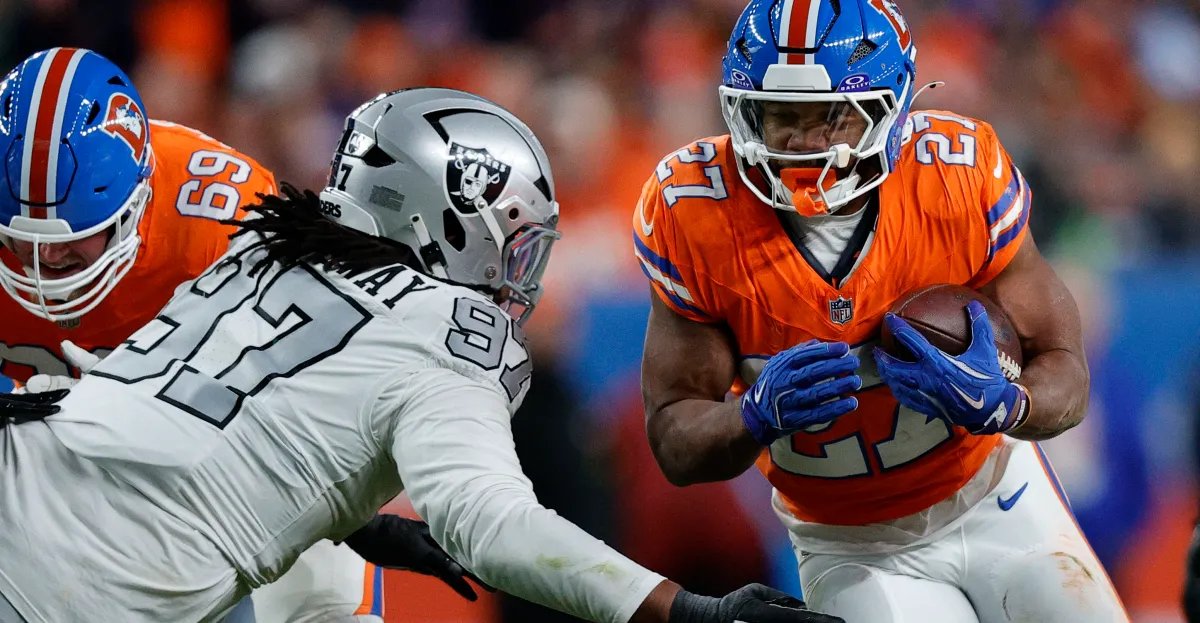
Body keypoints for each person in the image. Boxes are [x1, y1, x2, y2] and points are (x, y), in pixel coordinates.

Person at [0, 87, 840, 623]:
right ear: (451, 218)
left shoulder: (267, 243)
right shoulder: (449, 331)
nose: (521, 274)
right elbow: (493, 524)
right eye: (513, 240)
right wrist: (684, 609)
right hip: (83, 590)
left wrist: (357, 522)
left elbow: (208, 420)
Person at [632, 1, 1129, 621]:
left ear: (892, 109)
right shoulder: (694, 212)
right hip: (850, 541)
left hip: (996, 496)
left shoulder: (956, 174)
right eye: (780, 114)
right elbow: (675, 438)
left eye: (831, 116)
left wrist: (1010, 402)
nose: (802, 142)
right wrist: (751, 417)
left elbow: (1066, 368)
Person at [0, 47, 465, 623]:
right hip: (31, 473)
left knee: (331, 607)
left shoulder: (223, 222)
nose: (44, 262)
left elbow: (306, 402)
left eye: (73, 238)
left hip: (214, 460)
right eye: (19, 240)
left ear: (137, 203)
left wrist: (358, 523)